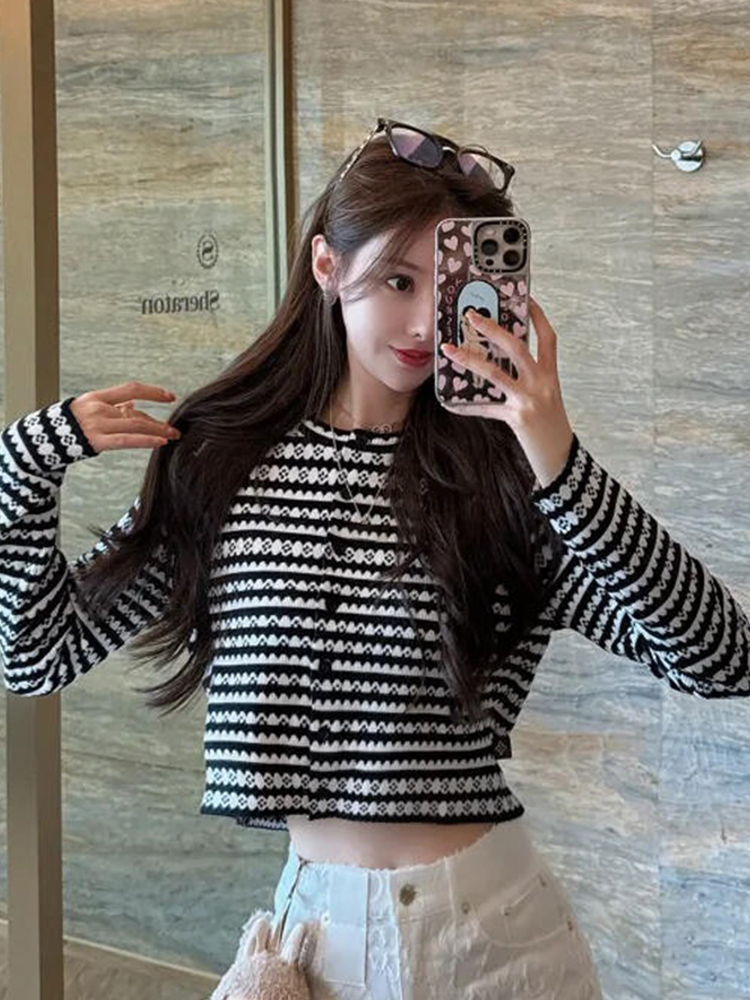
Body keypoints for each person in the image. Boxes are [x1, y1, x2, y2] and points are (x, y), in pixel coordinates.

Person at [1, 118, 748, 1000]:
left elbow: (721, 657)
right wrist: (24, 466)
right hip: (317, 941)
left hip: (500, 943)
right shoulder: (221, 463)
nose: (425, 322)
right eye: (398, 280)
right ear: (327, 265)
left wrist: (556, 454)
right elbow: (36, 655)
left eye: (449, 286)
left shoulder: (507, 482)